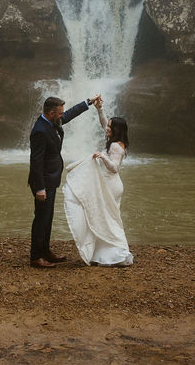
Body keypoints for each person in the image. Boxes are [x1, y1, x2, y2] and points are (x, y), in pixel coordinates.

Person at [28, 93, 100, 268]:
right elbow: (36, 162)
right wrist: (39, 189)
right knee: (41, 219)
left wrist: (88, 102)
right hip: (43, 182)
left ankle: (45, 251)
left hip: (51, 179)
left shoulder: (51, 121)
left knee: (48, 217)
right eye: (59, 113)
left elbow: (68, 115)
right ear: (51, 113)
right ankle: (36, 257)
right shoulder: (40, 130)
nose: (62, 115)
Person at [62, 100, 134, 267]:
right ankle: (104, 252)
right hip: (107, 184)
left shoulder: (116, 146)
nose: (107, 128)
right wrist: (99, 109)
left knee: (109, 219)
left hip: (111, 185)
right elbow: (103, 124)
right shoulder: (113, 139)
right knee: (104, 218)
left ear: (117, 130)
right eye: (108, 126)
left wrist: (103, 157)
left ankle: (118, 252)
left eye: (110, 127)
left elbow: (115, 168)